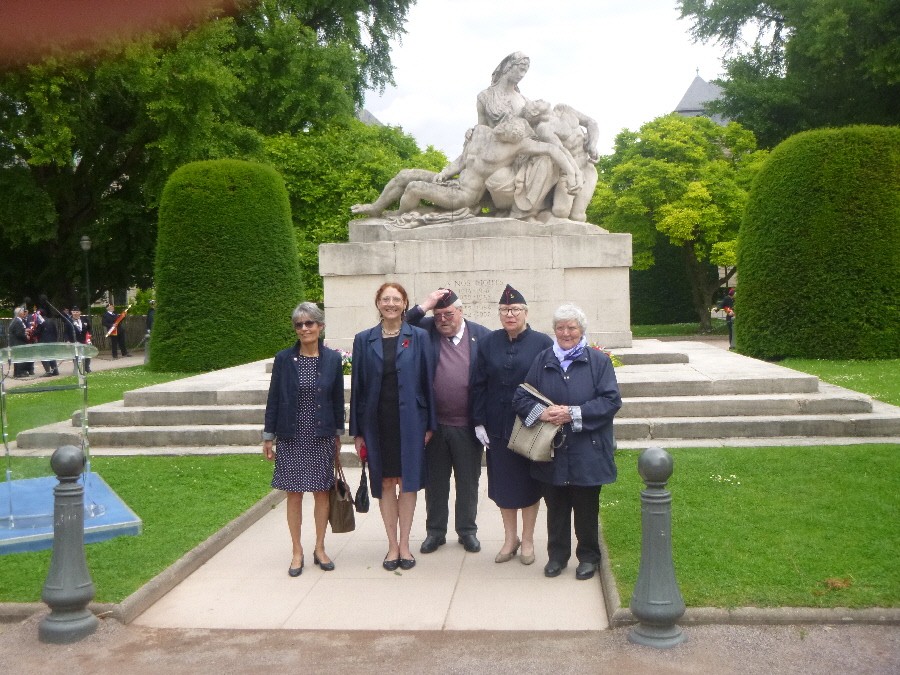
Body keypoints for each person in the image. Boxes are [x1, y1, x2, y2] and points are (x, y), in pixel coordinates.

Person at [513, 303, 622, 581]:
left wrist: (573, 413)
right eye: (560, 328)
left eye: (571, 327)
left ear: (581, 330)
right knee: (556, 507)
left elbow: (611, 401)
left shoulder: (599, 362)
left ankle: (588, 557)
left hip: (588, 450)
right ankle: (557, 557)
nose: (565, 332)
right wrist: (544, 412)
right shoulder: (543, 359)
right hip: (553, 449)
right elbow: (522, 397)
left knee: (586, 508)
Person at [349, 283, 436, 571]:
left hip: (411, 421)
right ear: (377, 303)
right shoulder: (364, 340)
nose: (390, 304)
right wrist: (357, 431)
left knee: (407, 483)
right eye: (385, 299)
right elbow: (358, 388)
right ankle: (391, 546)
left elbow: (428, 382)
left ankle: (406, 545)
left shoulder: (420, 337)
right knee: (386, 482)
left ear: (404, 303)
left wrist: (430, 423)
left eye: (396, 299)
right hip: (377, 423)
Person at [349, 116, 582, 219]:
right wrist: (444, 172)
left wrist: (571, 172)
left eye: (514, 136)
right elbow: (462, 159)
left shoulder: (518, 146)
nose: (509, 136)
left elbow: (552, 150)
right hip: (453, 181)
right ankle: (376, 208)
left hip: (464, 195)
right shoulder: (481, 132)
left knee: (414, 188)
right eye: (508, 131)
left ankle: (398, 216)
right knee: (406, 174)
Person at [262, 302, 345, 577]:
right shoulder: (284, 359)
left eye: (310, 323)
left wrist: (338, 434)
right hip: (291, 435)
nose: (304, 328)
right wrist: (268, 436)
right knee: (294, 494)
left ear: (320, 327)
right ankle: (297, 550)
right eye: (299, 324)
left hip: (320, 435)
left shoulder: (332, 359)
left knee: (322, 493)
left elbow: (336, 400)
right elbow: (274, 398)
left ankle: (320, 547)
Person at [406, 288, 491, 555]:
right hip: (434, 425)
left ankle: (467, 531)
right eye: (438, 314)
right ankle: (435, 532)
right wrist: (425, 305)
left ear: (461, 312)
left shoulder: (482, 335)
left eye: (448, 314)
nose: (443, 319)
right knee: (435, 482)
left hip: (468, 425)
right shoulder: (426, 330)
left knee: (468, 481)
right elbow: (397, 324)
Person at [472, 284, 552, 565]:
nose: (510, 314)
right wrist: (479, 421)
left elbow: (547, 385)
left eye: (515, 309)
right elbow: (478, 384)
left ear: (526, 312)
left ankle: (528, 540)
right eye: (505, 310)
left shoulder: (542, 343)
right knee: (504, 486)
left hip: (530, 426)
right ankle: (510, 539)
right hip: (497, 426)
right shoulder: (488, 343)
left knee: (530, 485)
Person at [65, 306, 92, 373]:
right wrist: (67, 340)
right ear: (71, 312)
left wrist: (89, 336)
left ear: (80, 312)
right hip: (74, 341)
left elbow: (89, 328)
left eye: (77, 312)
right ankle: (77, 369)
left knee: (87, 355)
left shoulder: (84, 319)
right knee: (76, 355)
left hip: (84, 340)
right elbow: (66, 332)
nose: (75, 313)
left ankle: (86, 367)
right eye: (74, 312)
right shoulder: (69, 321)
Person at [8, 307, 29, 378]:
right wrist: (26, 336)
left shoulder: (16, 320)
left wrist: (25, 331)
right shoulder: (18, 321)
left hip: (15, 342)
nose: (24, 313)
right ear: (19, 313)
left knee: (17, 358)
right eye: (23, 312)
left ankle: (17, 372)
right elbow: (19, 333)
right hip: (18, 342)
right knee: (20, 357)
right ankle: (19, 373)